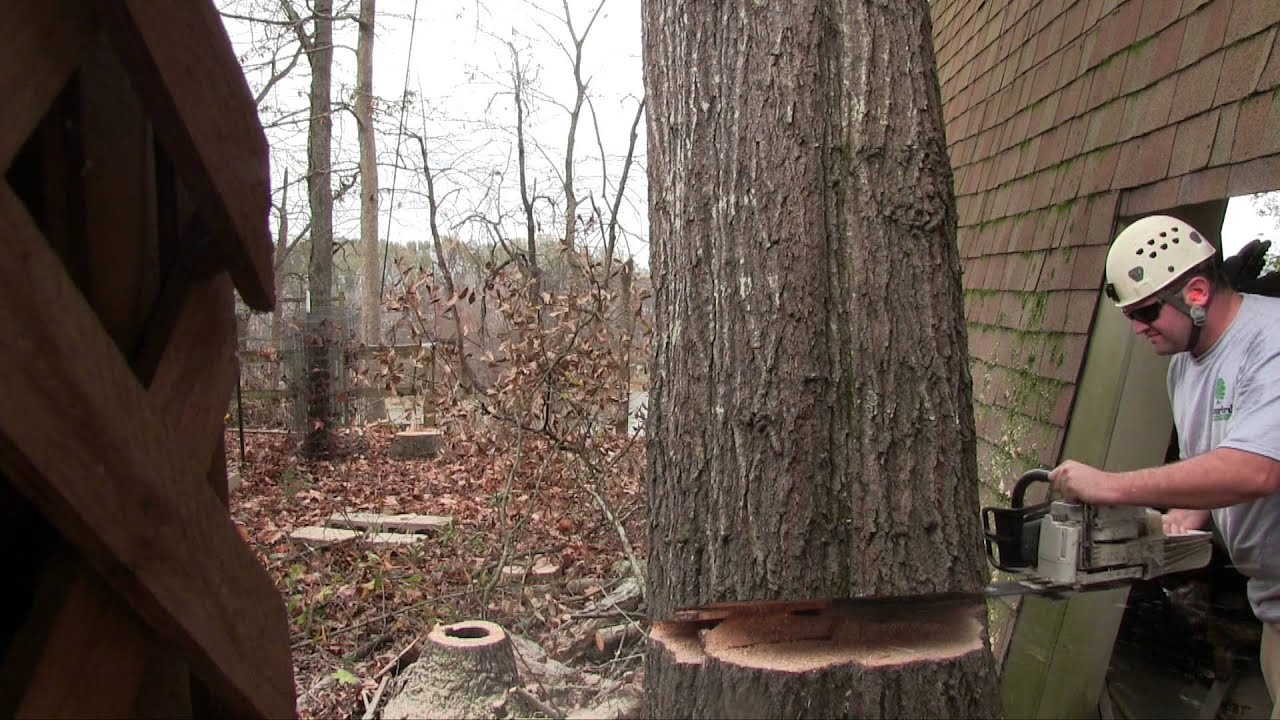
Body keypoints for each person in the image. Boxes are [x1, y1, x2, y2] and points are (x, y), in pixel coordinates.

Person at [1047, 214, 1280, 716]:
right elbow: (1211, 467)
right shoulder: (1183, 369)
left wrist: (1111, 486)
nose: (1137, 328)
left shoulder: (1272, 342)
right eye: (1130, 315)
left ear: (1196, 292)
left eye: (1147, 311)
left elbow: (1255, 470)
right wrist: (1184, 517)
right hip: (1273, 608)